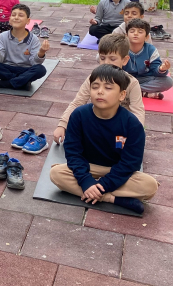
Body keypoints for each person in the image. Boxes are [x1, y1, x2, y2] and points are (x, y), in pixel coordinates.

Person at [50, 64, 159, 214]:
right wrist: (86, 181)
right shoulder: (79, 115)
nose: (100, 91)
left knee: (150, 186)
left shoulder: (132, 124)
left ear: (122, 95)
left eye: (108, 88)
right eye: (95, 87)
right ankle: (112, 199)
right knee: (56, 174)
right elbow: (73, 153)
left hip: (116, 170)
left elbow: (130, 163)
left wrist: (102, 185)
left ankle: (94, 193)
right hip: (88, 166)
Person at [53, 34, 145, 145]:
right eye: (102, 58)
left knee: (121, 149)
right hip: (98, 121)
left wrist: (135, 134)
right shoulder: (93, 78)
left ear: (124, 60)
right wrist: (62, 125)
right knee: (73, 137)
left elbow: (138, 112)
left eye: (112, 59)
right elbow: (78, 102)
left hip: (119, 127)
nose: (106, 63)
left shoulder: (132, 83)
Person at [0, 4, 49, 89]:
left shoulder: (34, 39)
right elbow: (0, 59)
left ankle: (5, 84)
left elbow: (34, 63)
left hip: (25, 70)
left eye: (21, 15)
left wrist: (41, 52)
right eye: (13, 15)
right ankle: (21, 82)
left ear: (28, 21)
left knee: (40, 69)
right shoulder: (3, 36)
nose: (16, 17)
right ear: (10, 20)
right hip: (7, 69)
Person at [123, 18, 173, 100]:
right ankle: (143, 93)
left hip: (144, 79)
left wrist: (162, 69)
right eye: (132, 31)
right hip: (126, 79)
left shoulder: (151, 50)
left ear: (146, 37)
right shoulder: (121, 48)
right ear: (126, 35)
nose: (135, 34)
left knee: (168, 81)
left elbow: (155, 71)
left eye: (140, 32)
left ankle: (130, 92)